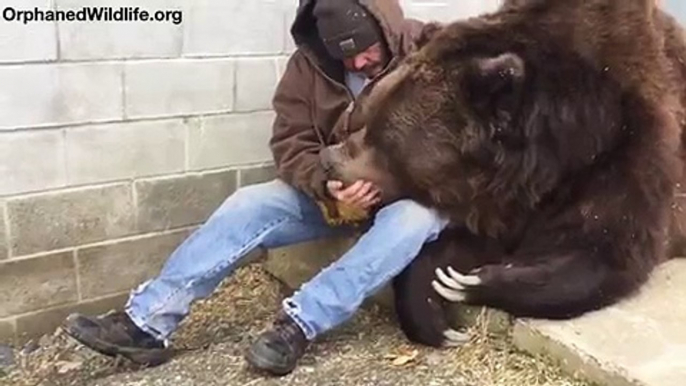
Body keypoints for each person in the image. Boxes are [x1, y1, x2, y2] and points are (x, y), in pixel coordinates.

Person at [61, 0, 447, 377]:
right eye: (345, 57)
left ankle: (298, 326)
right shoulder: (308, 65)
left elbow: (458, 148)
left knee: (416, 219)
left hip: (410, 197)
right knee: (251, 202)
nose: (358, 64)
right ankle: (145, 323)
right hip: (335, 197)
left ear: (386, 28)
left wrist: (386, 187)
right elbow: (290, 143)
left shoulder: (433, 55)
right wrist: (328, 188)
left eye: (366, 51)